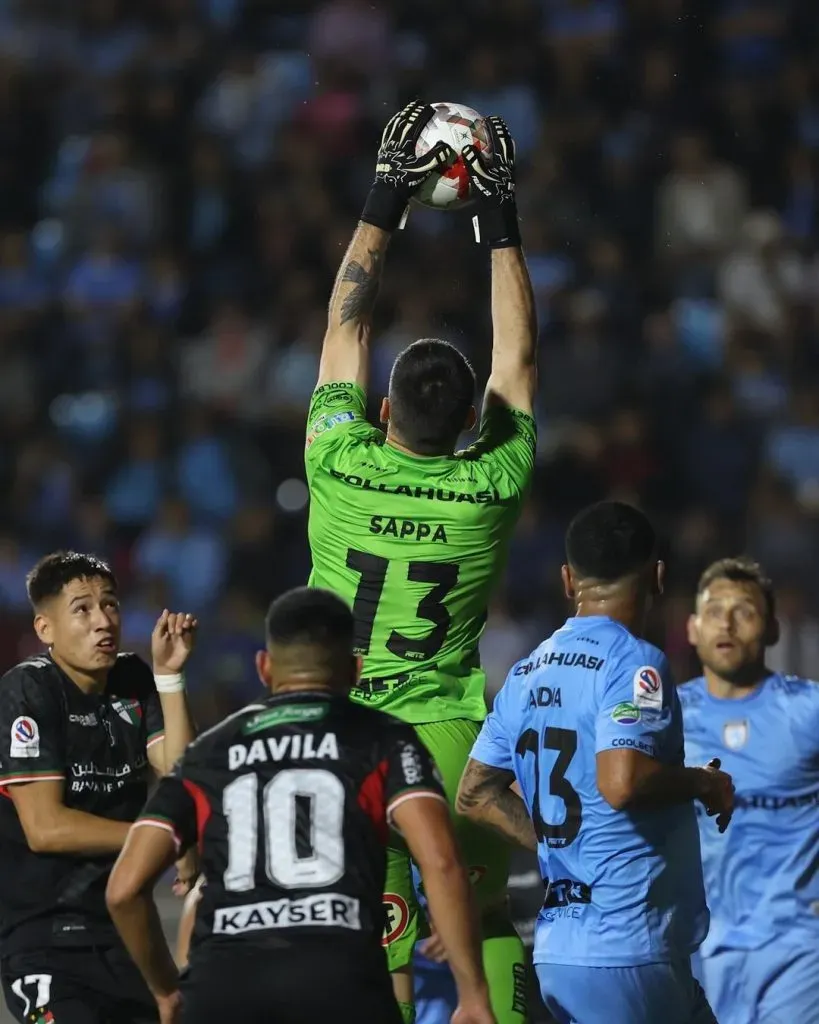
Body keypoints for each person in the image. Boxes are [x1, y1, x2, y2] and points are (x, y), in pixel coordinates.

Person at [305, 99, 536, 1024]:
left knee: (375, 938)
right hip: (445, 742)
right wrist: (499, 217)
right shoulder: (491, 485)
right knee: (487, 914)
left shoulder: (337, 460)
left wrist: (384, 200)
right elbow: (518, 360)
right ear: (470, 422)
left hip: (344, 736)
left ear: (382, 414)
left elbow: (345, 330)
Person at [106, 587, 496, 1024]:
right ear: (355, 670)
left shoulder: (208, 751)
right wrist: (473, 994)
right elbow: (441, 861)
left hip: (223, 992)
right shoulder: (385, 739)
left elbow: (124, 889)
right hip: (340, 986)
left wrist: (165, 991)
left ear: (264, 667)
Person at [456, 501, 735, 1024]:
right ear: (657, 576)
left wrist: (563, 845)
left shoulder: (525, 673)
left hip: (561, 949)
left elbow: (474, 795)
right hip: (628, 946)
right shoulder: (636, 663)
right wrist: (704, 783)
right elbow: (621, 781)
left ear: (567, 579)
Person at [0, 551, 197, 1024]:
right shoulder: (27, 692)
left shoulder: (133, 678)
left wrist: (170, 677)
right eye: (82, 609)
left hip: (130, 938)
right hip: (47, 942)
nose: (103, 621)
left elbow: (181, 775)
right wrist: (163, 838)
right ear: (45, 628)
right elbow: (46, 828)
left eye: (110, 604)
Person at [680, 557, 819, 1024]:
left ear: (772, 629)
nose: (727, 622)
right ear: (692, 628)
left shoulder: (808, 711)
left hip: (797, 948)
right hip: (702, 950)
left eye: (744, 610)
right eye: (714, 610)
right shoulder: (667, 717)